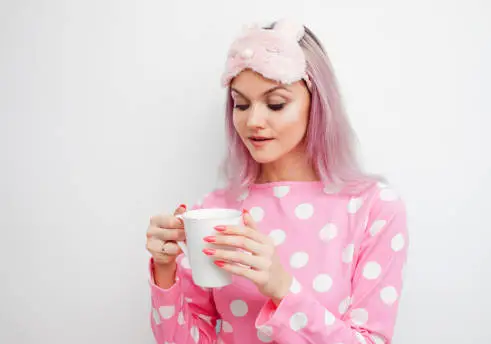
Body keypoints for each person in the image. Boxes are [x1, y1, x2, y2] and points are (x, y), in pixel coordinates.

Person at [146, 18, 408, 344]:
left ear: (318, 103)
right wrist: (165, 270)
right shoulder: (214, 211)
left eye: (275, 104)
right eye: (241, 104)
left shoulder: (373, 208)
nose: (253, 121)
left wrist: (282, 288)